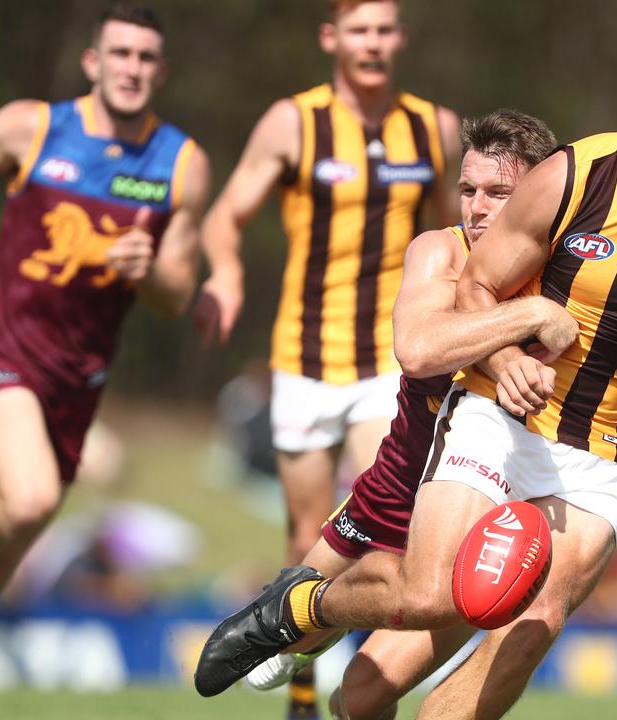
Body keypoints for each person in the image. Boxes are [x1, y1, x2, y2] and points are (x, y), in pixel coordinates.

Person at [196, 23, 617, 719]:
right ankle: (299, 607)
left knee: (537, 620)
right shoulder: (570, 177)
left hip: (602, 452)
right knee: (419, 610)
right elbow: (475, 293)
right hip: (496, 420)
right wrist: (504, 356)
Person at [0, 3, 208, 706]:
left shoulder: (182, 165)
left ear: (160, 71)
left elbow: (173, 296)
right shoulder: (35, 127)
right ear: (93, 62)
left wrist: (147, 268)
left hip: (78, 389)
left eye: (145, 58)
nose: (132, 69)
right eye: (120, 54)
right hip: (4, 355)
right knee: (30, 496)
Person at [190, 2, 458, 712]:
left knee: (384, 530)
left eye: (384, 29)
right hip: (304, 361)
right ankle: (302, 696)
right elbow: (226, 215)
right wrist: (226, 270)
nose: (372, 43)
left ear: (400, 39)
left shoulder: (434, 127)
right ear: (331, 38)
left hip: (387, 363)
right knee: (309, 540)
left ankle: (367, 691)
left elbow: (449, 237)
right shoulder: (292, 122)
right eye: (358, 30)